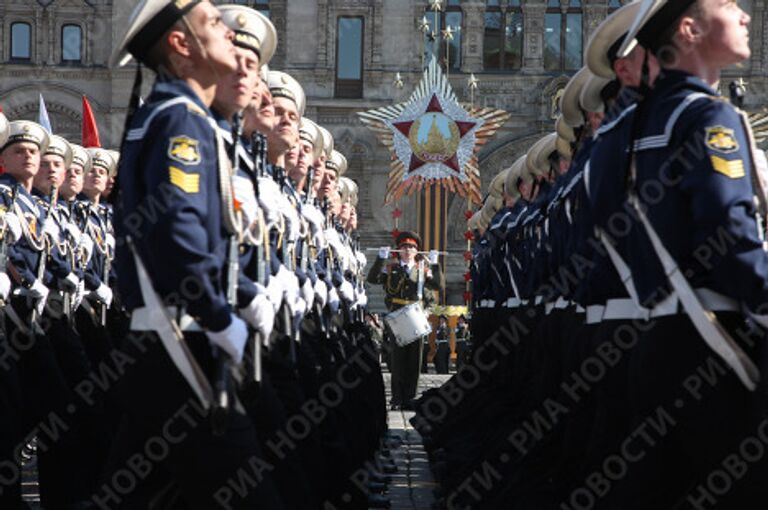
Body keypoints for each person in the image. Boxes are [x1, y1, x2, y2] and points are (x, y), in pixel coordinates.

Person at [106, 1, 285, 508]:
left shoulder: (184, 116)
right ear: (182, 48)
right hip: (179, 339)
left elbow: (209, 241)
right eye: (213, 25)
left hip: (174, 337)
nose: (229, 33)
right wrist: (219, 315)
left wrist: (246, 294)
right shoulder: (181, 120)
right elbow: (178, 236)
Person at [368, 231, 442, 410]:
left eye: (412, 247)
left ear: (417, 251)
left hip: (416, 315)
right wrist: (380, 259)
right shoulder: (392, 268)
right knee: (397, 358)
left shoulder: (422, 270)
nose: (408, 250)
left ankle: (410, 397)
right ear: (398, 250)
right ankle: (396, 398)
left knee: (415, 359)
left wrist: (435, 265)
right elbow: (372, 279)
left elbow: (438, 287)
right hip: (398, 314)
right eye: (404, 247)